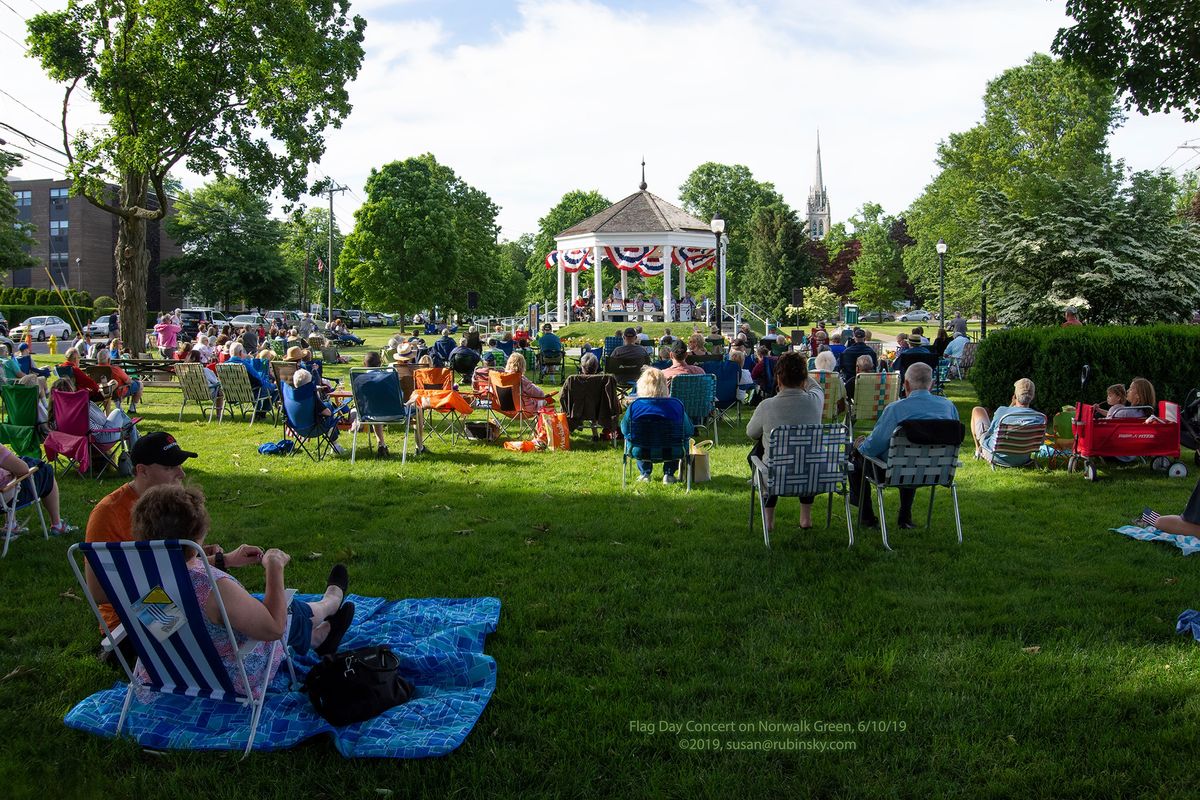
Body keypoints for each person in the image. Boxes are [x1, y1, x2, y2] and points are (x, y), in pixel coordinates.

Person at [123, 484, 355, 691]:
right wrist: (274, 567)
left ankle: (318, 633)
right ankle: (329, 606)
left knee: (251, 608)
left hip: (174, 670)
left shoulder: (141, 579)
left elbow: (168, 625)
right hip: (228, 677)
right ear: (197, 534)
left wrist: (226, 560)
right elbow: (275, 628)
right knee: (286, 607)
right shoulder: (214, 587)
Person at [850, 362, 960, 529]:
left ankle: (867, 517)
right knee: (913, 453)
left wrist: (860, 446)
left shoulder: (896, 409)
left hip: (895, 472)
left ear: (906, 384)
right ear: (932, 384)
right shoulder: (948, 407)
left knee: (855, 457)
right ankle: (905, 516)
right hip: (938, 472)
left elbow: (873, 447)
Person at [745, 351, 824, 530]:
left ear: (778, 378)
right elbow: (816, 387)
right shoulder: (815, 401)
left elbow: (751, 432)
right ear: (804, 377)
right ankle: (806, 518)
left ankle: (769, 519)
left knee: (761, 451)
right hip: (813, 475)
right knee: (804, 453)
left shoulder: (767, 406)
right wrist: (802, 373)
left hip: (776, 477)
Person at [620, 367, 693, 484]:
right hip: (673, 451)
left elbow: (624, 429)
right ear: (664, 385)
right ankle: (669, 474)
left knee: (642, 437)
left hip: (640, 451)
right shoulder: (676, 406)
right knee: (674, 439)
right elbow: (689, 430)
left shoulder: (635, 407)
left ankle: (645, 474)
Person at [970, 378, 1047, 464]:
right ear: (1033, 397)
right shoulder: (1040, 418)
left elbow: (990, 433)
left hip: (996, 457)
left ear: (1015, 396)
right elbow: (1041, 442)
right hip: (1023, 459)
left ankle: (978, 451)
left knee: (977, 410)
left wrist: (1011, 405)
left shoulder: (1002, 411)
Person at [293, 369, 347, 454]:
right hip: (313, 429)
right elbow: (327, 413)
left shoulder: (289, 397)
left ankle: (335, 445)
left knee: (328, 410)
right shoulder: (310, 397)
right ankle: (335, 445)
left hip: (297, 429)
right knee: (329, 409)